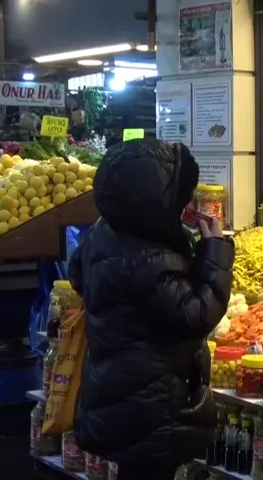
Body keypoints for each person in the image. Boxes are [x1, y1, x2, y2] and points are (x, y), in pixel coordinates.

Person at [68, 139, 235, 480]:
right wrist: (215, 251)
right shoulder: (150, 257)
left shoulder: (106, 231)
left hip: (119, 389)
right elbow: (197, 314)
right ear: (153, 199)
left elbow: (78, 275)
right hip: (151, 402)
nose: (185, 203)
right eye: (179, 195)